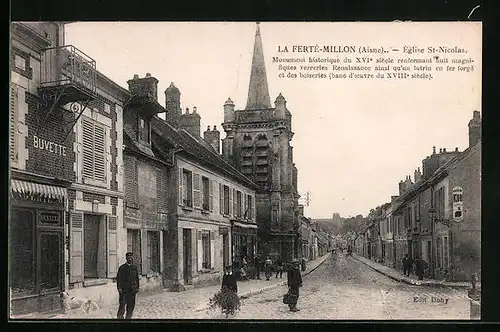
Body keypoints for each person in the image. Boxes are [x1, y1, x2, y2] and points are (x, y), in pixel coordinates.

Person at [116, 252, 140, 319]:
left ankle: (128, 318)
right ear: (126, 258)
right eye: (128, 257)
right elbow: (119, 279)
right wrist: (119, 288)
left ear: (132, 258)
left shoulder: (134, 268)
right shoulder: (122, 268)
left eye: (131, 257)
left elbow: (137, 278)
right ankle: (120, 318)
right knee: (122, 305)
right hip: (124, 290)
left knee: (131, 306)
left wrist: (137, 287)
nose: (130, 258)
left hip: (132, 290)